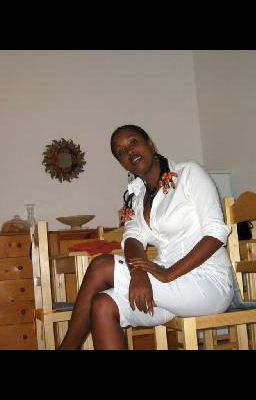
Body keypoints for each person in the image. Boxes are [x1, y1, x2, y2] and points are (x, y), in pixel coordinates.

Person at [59, 124, 233, 350]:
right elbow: (132, 238)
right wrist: (138, 272)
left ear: (150, 144)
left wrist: (168, 273)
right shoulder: (136, 196)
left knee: (101, 266)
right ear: (121, 163)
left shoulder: (189, 173)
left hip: (207, 283)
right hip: (167, 286)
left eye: (133, 142)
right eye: (121, 152)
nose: (129, 151)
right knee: (102, 304)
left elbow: (216, 233)